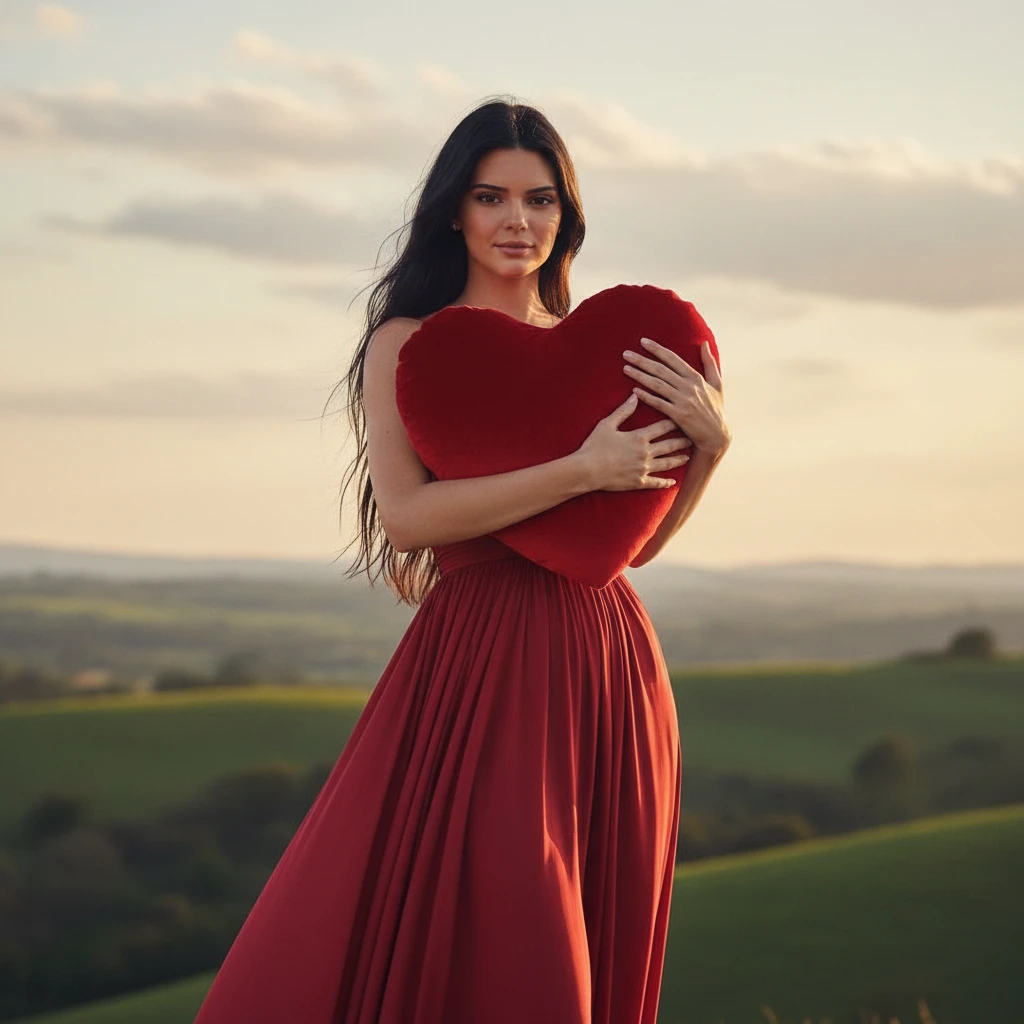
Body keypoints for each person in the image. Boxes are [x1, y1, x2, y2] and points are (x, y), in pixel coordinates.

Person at [193, 95, 730, 1024]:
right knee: (518, 916)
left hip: (611, 656)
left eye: (542, 200)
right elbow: (406, 519)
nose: (519, 221)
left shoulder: (597, 351)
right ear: (454, 210)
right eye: (492, 198)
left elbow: (625, 550)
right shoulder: (408, 346)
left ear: (567, 215)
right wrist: (581, 467)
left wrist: (708, 455)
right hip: (486, 662)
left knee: (602, 908)